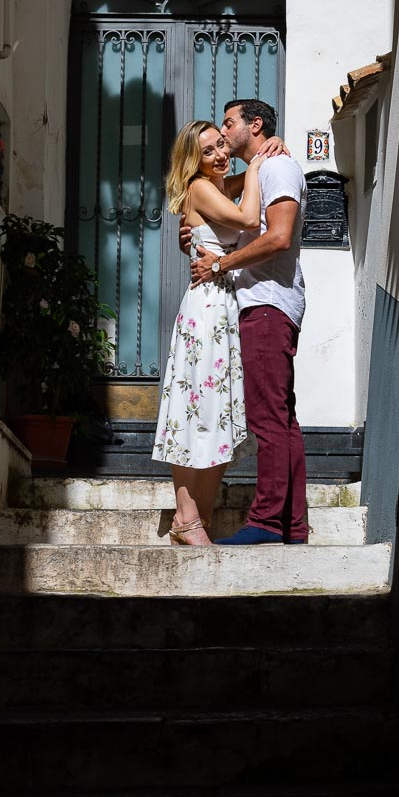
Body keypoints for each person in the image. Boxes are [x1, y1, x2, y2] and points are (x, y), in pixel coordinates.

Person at [188, 99, 309, 544]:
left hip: (267, 304)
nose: (224, 132)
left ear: (254, 125)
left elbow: (277, 237)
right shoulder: (262, 168)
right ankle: (293, 526)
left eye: (229, 123)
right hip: (265, 304)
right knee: (283, 419)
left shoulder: (278, 168)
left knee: (267, 419)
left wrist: (221, 264)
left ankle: (265, 521)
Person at [152, 120, 270, 546]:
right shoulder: (203, 188)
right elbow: (249, 216)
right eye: (209, 152)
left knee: (216, 410)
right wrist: (256, 166)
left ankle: (196, 517)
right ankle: (186, 517)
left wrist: (253, 162)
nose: (221, 154)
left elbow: (233, 187)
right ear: (193, 162)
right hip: (206, 309)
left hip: (221, 306)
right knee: (192, 411)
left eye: (222, 145)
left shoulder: (216, 185)